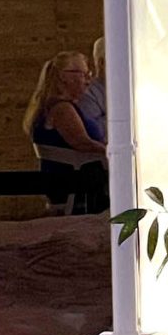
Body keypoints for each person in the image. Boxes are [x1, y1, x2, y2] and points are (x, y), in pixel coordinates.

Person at [26, 50, 108, 215]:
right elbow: (82, 143)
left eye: (88, 74)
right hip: (73, 182)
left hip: (69, 175)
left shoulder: (54, 106)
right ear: (65, 77)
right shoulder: (62, 109)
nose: (88, 80)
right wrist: (113, 152)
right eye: (83, 74)